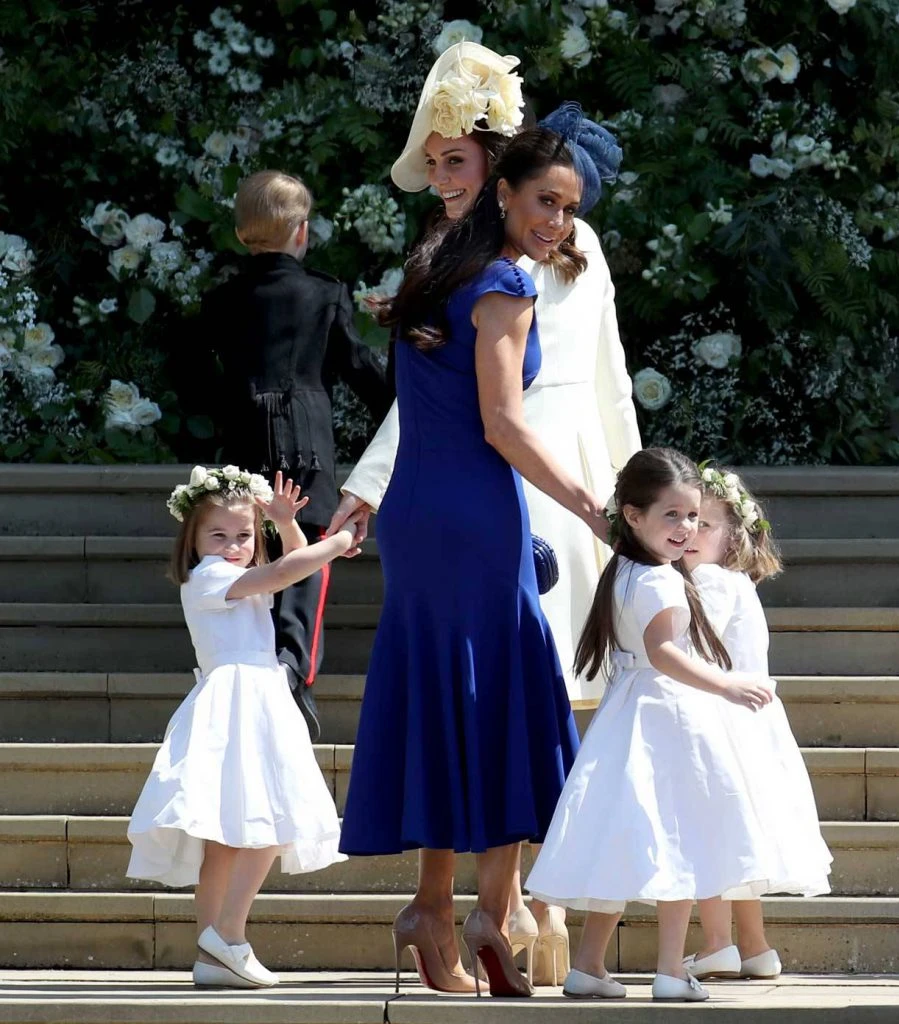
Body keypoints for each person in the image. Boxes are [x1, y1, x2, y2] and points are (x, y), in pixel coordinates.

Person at [330, 43, 640, 985]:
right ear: (508, 189)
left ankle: (447, 910)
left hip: (432, 507)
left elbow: (595, 388)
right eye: (545, 200)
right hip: (489, 498)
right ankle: (484, 918)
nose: (557, 219)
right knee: (507, 701)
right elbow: (503, 421)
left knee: (449, 696)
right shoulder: (500, 279)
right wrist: (598, 508)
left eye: (568, 205)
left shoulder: (434, 261)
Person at [526, 448, 778, 1003]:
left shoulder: (626, 568)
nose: (687, 528)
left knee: (624, 839)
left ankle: (589, 965)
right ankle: (670, 969)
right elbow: (664, 652)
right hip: (670, 715)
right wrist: (727, 684)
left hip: (630, 714)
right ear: (633, 516)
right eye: (673, 516)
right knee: (680, 840)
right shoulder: (661, 580)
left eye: (693, 516)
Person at [126, 467, 363, 989]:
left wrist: (284, 524)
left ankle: (213, 955)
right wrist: (340, 539)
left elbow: (292, 569)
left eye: (244, 536)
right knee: (271, 819)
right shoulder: (210, 577)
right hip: (240, 699)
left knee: (228, 841)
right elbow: (284, 573)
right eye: (219, 535)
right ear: (194, 539)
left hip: (253, 696)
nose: (233, 545)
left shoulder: (235, 576)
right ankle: (228, 934)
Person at [201, 170, 393, 738]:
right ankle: (293, 668)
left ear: (241, 233)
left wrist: (224, 407)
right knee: (305, 555)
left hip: (243, 439)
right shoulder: (325, 292)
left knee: (248, 552)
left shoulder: (221, 299)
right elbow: (360, 370)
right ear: (302, 232)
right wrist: (409, 405)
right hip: (308, 442)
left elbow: (187, 372)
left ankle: (258, 667)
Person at [681, 466, 832, 981]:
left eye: (705, 524)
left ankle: (719, 941)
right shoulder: (736, 582)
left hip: (721, 719)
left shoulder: (708, 581)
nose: (690, 532)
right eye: (685, 519)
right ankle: (755, 946)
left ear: (733, 538)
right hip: (751, 724)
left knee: (712, 833)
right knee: (739, 839)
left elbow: (692, 649)